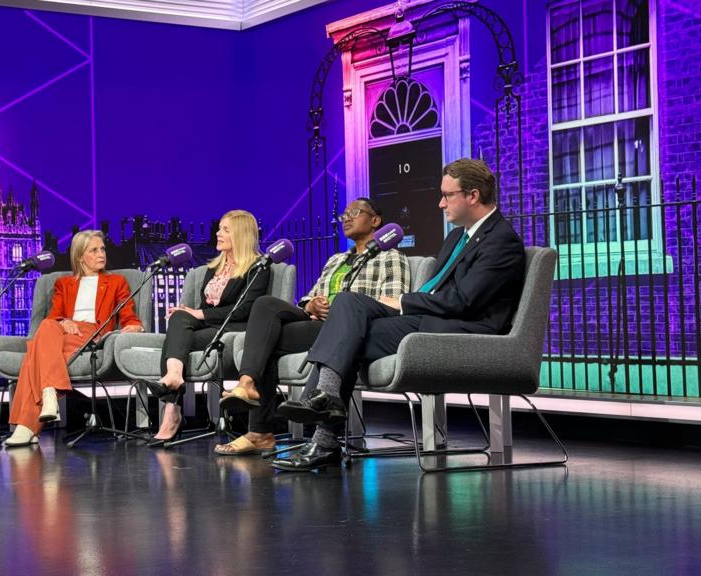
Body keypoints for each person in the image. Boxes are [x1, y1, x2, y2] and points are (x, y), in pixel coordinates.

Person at [273, 159, 527, 471]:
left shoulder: (501, 240)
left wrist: (404, 302)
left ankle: (322, 432)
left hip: (465, 327)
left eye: (448, 195)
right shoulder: (457, 237)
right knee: (350, 303)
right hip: (434, 316)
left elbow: (464, 302)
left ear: (472, 196)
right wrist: (405, 304)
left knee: (352, 336)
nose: (440, 202)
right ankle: (325, 400)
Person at [213, 198, 410, 456]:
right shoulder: (337, 259)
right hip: (315, 324)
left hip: (346, 330)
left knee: (268, 343)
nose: (347, 218)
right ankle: (247, 383)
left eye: (355, 212)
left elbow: (393, 304)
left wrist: (342, 306)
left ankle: (259, 432)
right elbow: (309, 296)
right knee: (265, 305)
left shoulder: (392, 257)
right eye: (344, 215)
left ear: (375, 220)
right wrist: (311, 306)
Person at [4, 230, 144, 447]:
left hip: (92, 333)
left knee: (35, 351)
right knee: (47, 327)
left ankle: (27, 426)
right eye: (94, 250)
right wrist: (62, 322)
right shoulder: (63, 283)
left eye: (102, 249)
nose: (101, 254)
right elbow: (53, 317)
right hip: (64, 333)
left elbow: (128, 315)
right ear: (80, 256)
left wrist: (134, 326)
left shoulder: (117, 282)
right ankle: (48, 395)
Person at [144, 210, 270, 447]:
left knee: (178, 334)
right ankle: (173, 380)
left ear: (241, 235)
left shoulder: (258, 268)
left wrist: (197, 313)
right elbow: (204, 308)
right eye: (219, 228)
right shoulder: (214, 268)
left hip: (235, 329)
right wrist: (188, 312)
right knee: (179, 320)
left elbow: (243, 310)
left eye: (225, 230)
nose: (217, 233)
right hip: (211, 326)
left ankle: (172, 408)